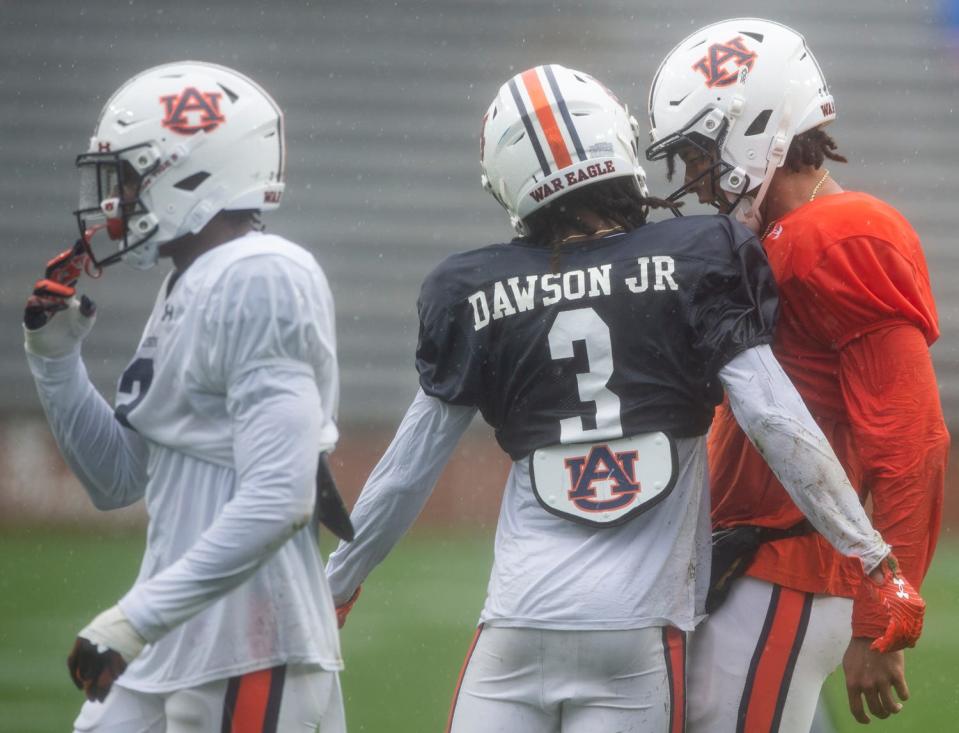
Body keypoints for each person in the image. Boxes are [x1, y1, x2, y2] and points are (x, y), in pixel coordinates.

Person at [325, 64, 922, 733]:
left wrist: (338, 582)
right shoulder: (696, 257)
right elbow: (777, 423)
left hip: (515, 626)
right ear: (616, 141)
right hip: (636, 636)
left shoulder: (477, 291)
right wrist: (872, 556)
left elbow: (407, 468)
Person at [23, 62, 347, 732]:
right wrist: (55, 359)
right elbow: (117, 478)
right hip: (172, 640)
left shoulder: (258, 275)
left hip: (248, 644)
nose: (118, 200)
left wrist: (133, 618)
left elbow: (279, 497)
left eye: (132, 177)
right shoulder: (190, 282)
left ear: (190, 170)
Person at [646, 17, 949, 731]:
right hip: (745, 571)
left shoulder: (842, 234)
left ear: (756, 131)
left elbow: (910, 445)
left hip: (785, 575)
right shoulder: (775, 241)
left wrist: (883, 615)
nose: (690, 176)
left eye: (697, 151)